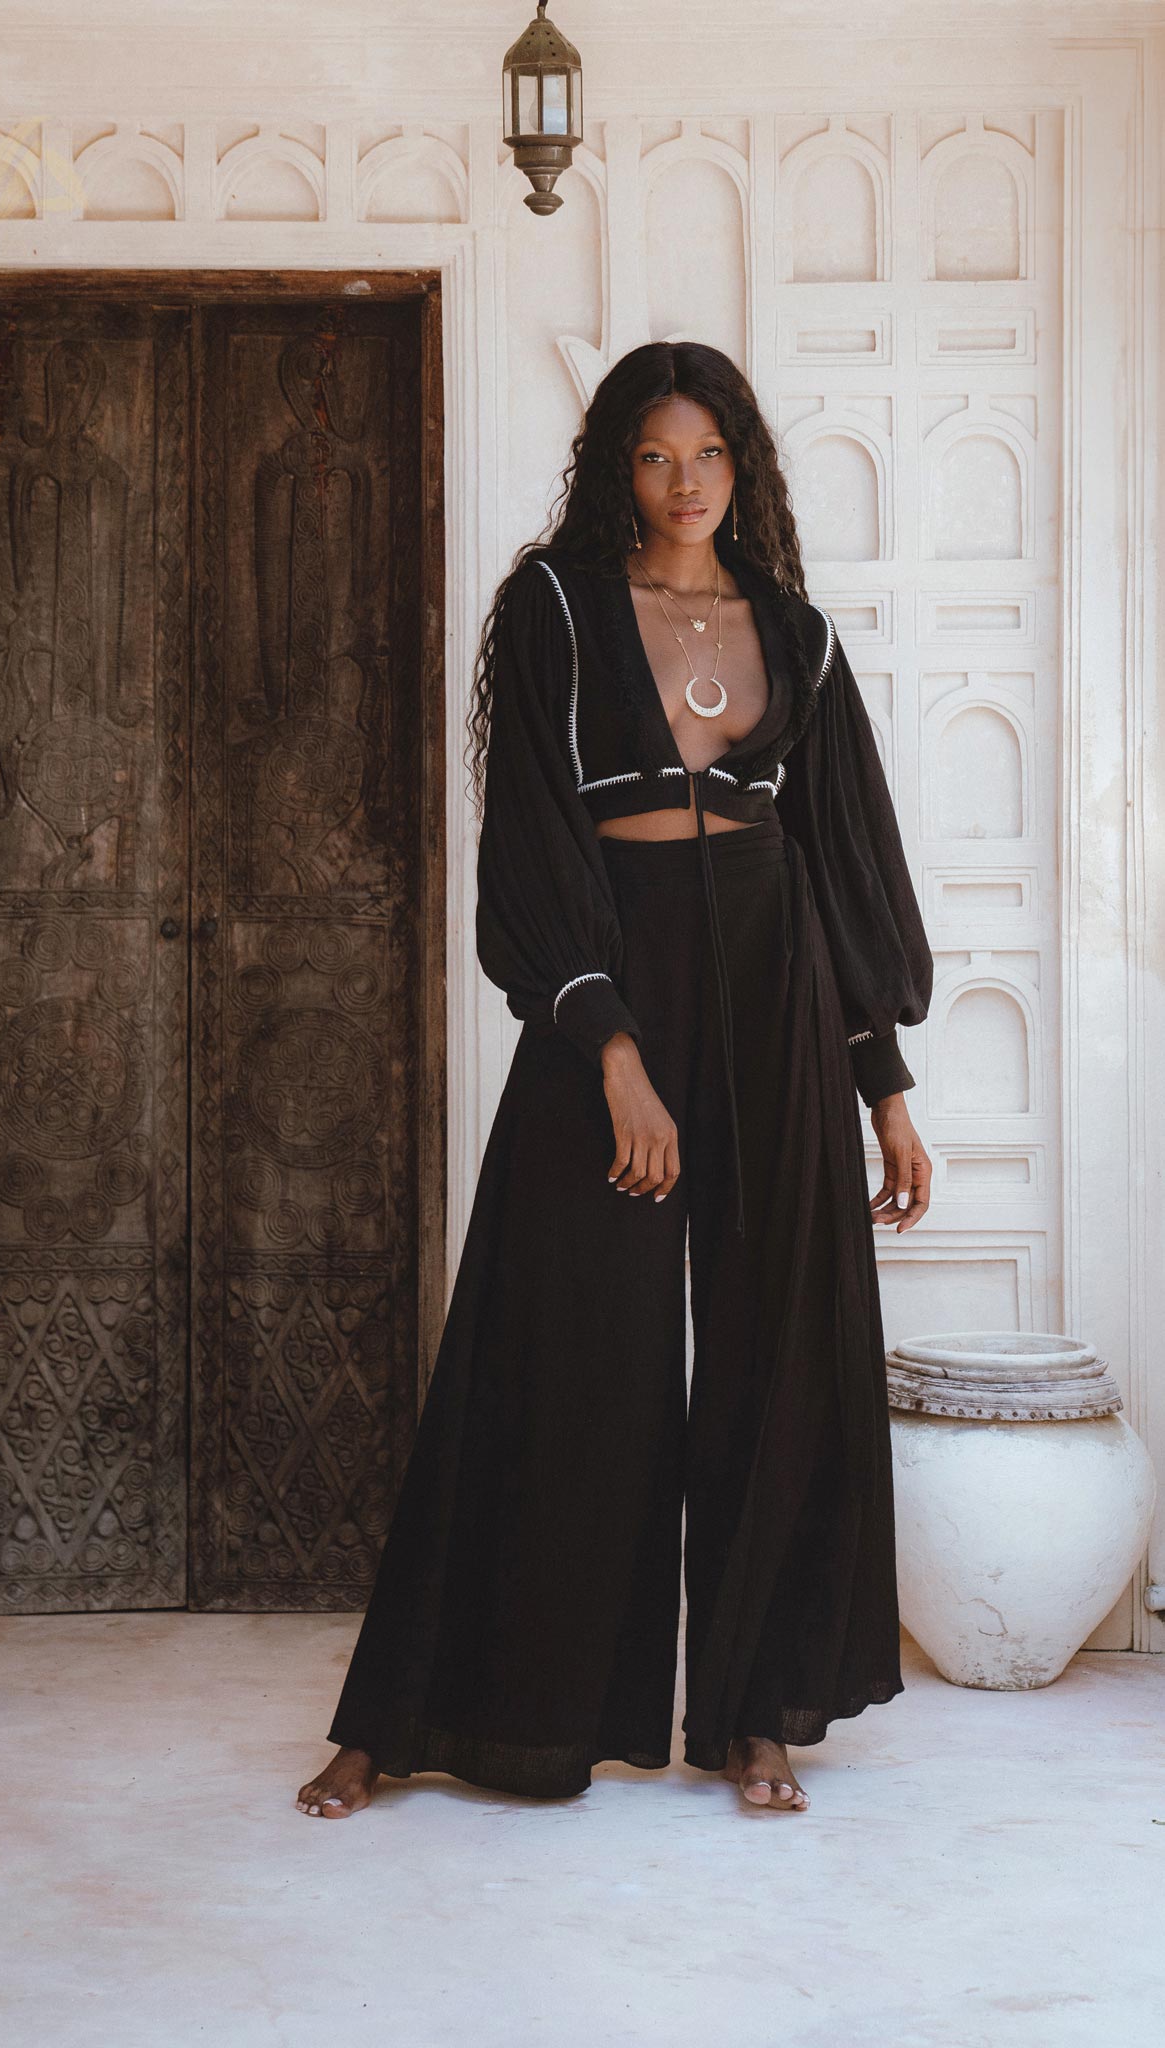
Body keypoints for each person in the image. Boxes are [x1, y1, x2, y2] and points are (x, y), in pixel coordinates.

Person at [295, 341, 934, 1820]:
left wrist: (880, 1088)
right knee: (552, 1338)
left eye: (707, 455)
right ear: (614, 467)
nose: (683, 483)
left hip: (777, 998)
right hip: (613, 988)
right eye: (653, 455)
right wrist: (611, 1053)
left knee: (780, 1358)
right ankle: (409, 1715)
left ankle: (755, 1711)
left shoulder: (796, 632)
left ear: (742, 468)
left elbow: (838, 873)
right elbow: (530, 836)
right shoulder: (559, 609)